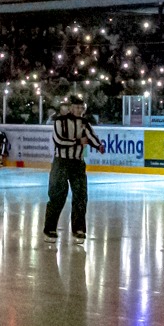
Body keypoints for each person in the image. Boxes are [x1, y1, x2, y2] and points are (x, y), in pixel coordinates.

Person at [44, 95, 103, 242]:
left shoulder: (84, 123)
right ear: (70, 108)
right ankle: (50, 229)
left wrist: (98, 145)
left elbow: (92, 137)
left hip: (77, 163)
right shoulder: (59, 121)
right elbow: (59, 141)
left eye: (81, 108)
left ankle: (78, 229)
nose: (79, 110)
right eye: (76, 107)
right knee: (57, 196)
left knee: (81, 197)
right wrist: (78, 141)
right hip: (61, 163)